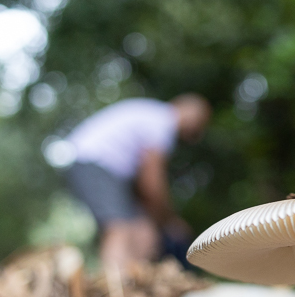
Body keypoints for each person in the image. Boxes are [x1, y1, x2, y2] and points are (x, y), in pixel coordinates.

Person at [63, 94, 211, 276]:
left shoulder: (154, 116)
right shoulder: (162, 123)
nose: (196, 132)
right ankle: (115, 291)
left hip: (114, 173)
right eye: (198, 122)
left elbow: (145, 188)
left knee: (144, 229)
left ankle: (137, 285)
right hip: (95, 162)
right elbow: (151, 184)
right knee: (119, 227)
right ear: (187, 111)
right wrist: (171, 221)